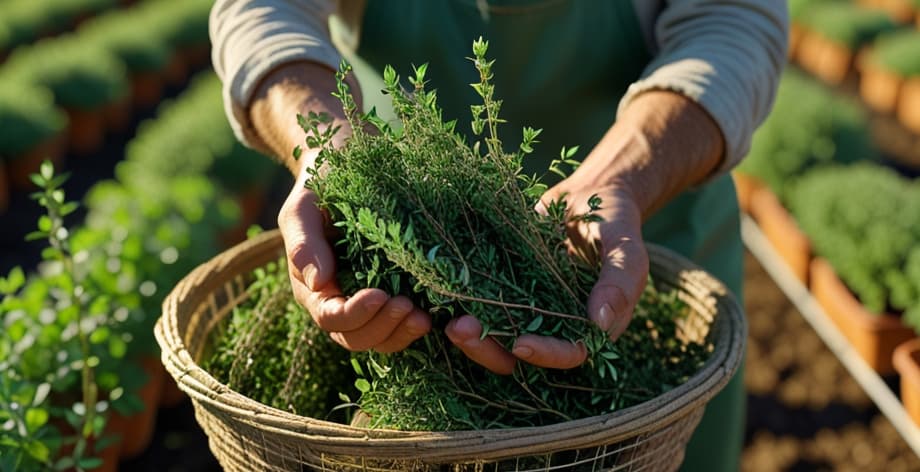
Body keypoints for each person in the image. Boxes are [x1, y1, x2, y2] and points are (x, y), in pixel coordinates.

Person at [210, 1, 788, 470]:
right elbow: (262, 8)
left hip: (638, 241)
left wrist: (621, 180)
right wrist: (328, 153)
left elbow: (733, 18)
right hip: (402, 272)